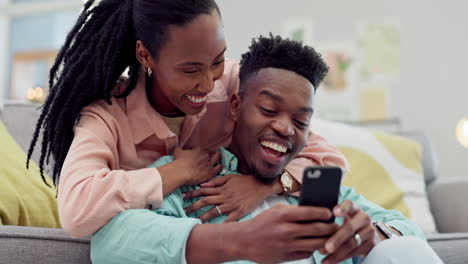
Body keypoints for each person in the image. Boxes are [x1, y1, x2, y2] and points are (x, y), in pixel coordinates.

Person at [91, 35, 443, 264]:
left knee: (404, 249)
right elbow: (109, 242)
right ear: (234, 107)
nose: (286, 128)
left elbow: (404, 229)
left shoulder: (318, 191)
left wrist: (375, 236)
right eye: (269, 110)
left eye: (302, 122)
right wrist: (237, 240)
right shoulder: (193, 181)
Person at [26, 0, 347, 238]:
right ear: (145, 56)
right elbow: (76, 210)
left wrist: (265, 186)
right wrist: (175, 172)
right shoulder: (107, 115)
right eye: (190, 70)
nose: (208, 84)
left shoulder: (237, 85)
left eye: (217, 60)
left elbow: (331, 163)